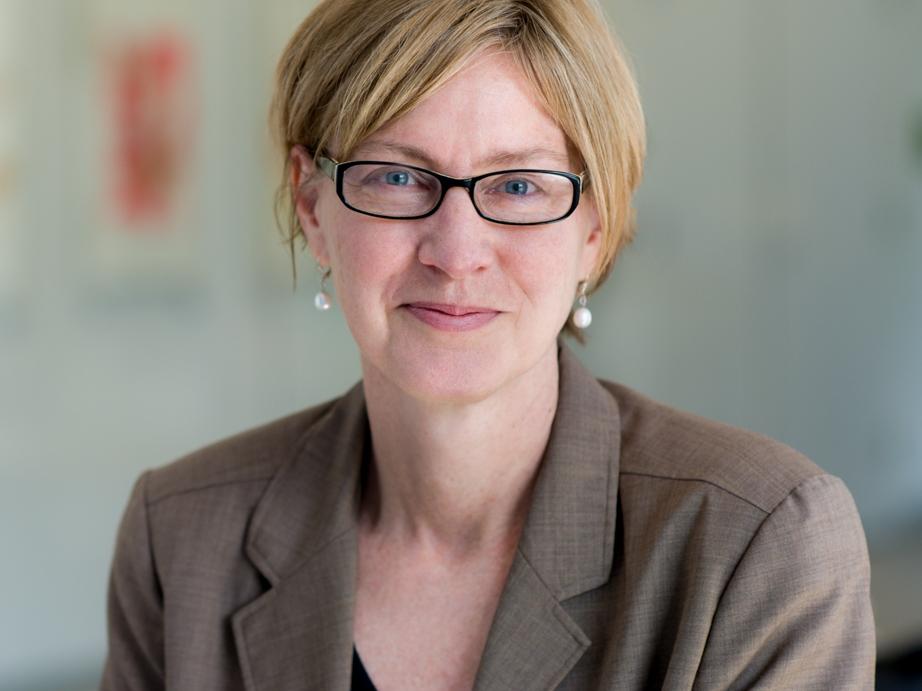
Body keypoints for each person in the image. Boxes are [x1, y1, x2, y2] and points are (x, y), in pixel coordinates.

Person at [101, 0, 875, 689]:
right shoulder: (181, 536)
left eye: (518, 186)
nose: (456, 250)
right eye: (398, 177)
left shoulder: (757, 549)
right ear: (313, 206)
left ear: (594, 229)